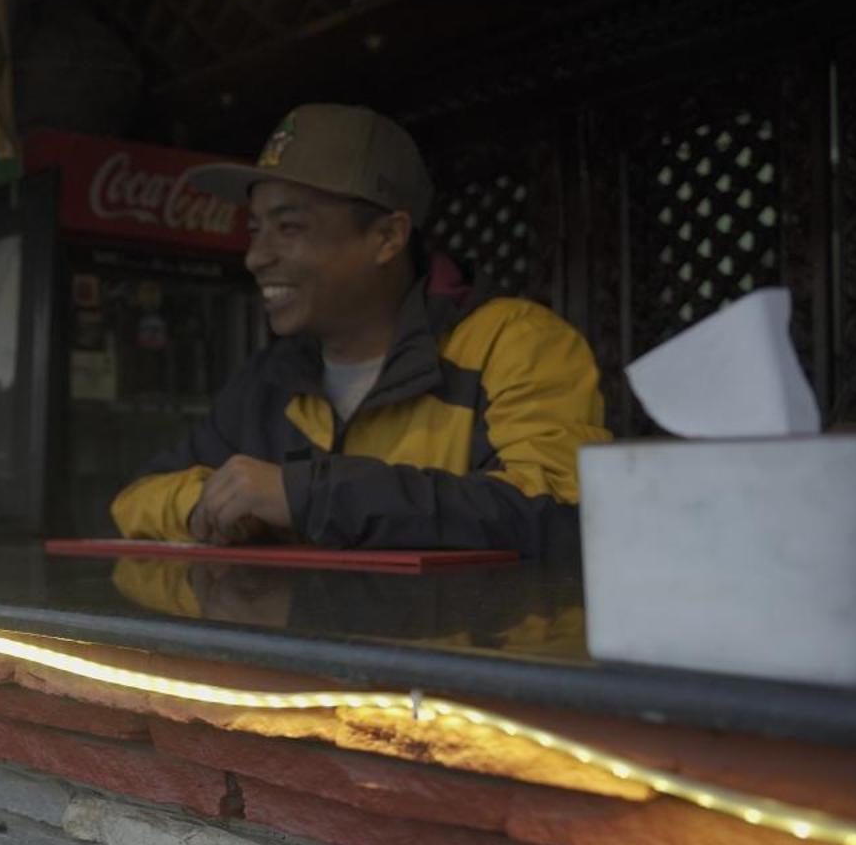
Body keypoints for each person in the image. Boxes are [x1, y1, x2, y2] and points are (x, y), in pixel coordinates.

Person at [111, 103, 610, 555]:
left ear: (387, 237)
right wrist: (209, 508)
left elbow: (562, 513)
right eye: (255, 229)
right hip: (303, 656)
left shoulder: (514, 342)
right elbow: (136, 499)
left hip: (461, 653)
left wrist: (309, 495)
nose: (256, 257)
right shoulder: (270, 377)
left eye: (289, 228)